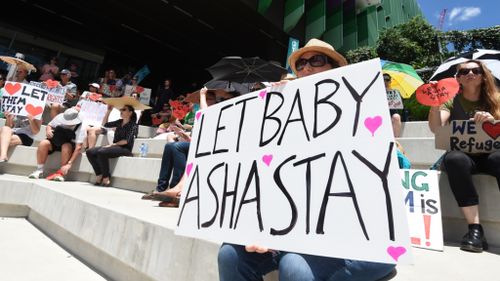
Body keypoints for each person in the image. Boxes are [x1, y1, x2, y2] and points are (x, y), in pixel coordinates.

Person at [218, 38, 395, 281]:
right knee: (230, 253)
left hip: (353, 237)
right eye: (300, 64)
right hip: (295, 234)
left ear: (335, 68)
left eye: (317, 60)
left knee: (295, 266)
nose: (306, 68)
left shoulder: (361, 112)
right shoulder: (279, 119)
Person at [428, 60, 500, 253]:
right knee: (454, 159)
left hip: (491, 154)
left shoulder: (496, 98)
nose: (470, 73)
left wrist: (492, 120)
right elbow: (437, 128)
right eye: (464, 71)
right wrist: (435, 106)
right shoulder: (450, 100)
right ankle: (475, 229)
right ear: (458, 78)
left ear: (483, 75)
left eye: (475, 70)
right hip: (464, 156)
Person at [86, 103, 138, 187]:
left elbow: (126, 141)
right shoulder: (119, 122)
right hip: (116, 146)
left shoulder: (133, 125)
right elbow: (104, 124)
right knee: (90, 152)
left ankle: (106, 178)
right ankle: (99, 174)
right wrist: (108, 111)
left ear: (130, 113)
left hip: (125, 149)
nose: (121, 111)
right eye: (121, 109)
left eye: (124, 109)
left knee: (102, 152)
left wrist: (112, 145)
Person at [28, 107, 84, 181]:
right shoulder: (59, 117)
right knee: (43, 143)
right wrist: (48, 130)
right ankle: (39, 170)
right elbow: (49, 125)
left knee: (66, 146)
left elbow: (78, 147)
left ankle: (61, 173)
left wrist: (69, 164)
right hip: (55, 141)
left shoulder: (81, 127)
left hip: (68, 145)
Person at [384, 73, 403, 138]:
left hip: (392, 113)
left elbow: (400, 105)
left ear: (390, 81)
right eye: (383, 79)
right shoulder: (375, 92)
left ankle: (396, 140)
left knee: (396, 117)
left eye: (387, 79)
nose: (385, 81)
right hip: (380, 114)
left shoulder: (396, 92)